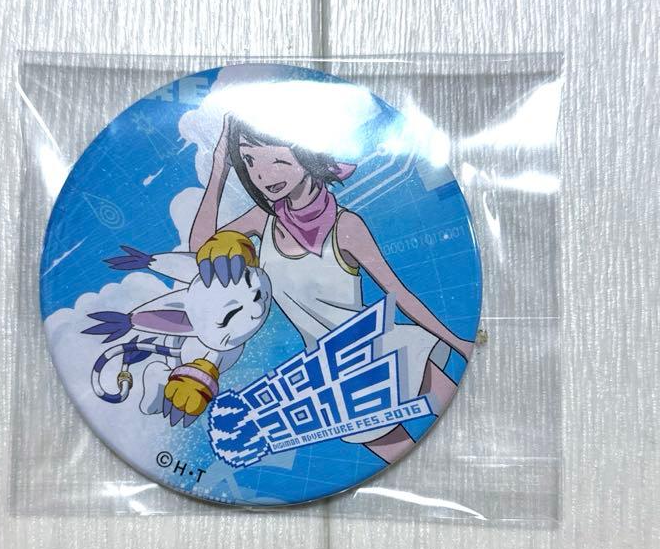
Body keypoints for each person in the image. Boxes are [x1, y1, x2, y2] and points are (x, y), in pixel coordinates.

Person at [189, 113, 475, 464]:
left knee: (465, 435)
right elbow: (200, 248)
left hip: (383, 348)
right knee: (404, 460)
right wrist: (220, 166)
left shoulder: (346, 226)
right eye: (248, 160)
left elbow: (399, 295)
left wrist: (458, 343)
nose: (261, 175)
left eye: (275, 158)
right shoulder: (263, 220)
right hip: (332, 379)